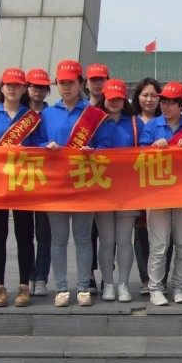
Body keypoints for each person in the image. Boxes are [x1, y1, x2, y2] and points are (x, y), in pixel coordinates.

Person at [40, 60, 111, 308]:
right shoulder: (46, 114)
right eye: (62, 83)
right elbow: (36, 143)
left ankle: (82, 287)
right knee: (58, 239)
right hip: (56, 185)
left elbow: (105, 145)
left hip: (84, 183)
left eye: (71, 82)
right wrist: (45, 146)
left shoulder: (94, 115)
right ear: (57, 85)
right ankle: (61, 287)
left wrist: (93, 150)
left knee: (83, 239)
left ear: (80, 84)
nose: (67, 87)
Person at [0, 67, 41, 308]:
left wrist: (44, 147)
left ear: (24, 89)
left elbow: (39, 145)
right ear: (1, 88)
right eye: (8, 84)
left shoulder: (32, 117)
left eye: (17, 85)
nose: (12, 88)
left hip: (24, 183)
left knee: (25, 235)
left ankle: (24, 285)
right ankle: (0, 286)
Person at [140, 81, 182, 306]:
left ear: (181, 105)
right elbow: (138, 155)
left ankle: (180, 288)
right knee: (159, 244)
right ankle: (155, 288)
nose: (165, 106)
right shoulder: (152, 126)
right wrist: (153, 146)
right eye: (163, 101)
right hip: (158, 191)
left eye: (170, 102)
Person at [94, 79, 143, 302]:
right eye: (110, 98)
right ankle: (108, 283)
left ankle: (123, 284)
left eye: (118, 99)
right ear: (103, 98)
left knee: (124, 240)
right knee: (106, 241)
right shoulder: (94, 121)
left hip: (127, 190)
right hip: (101, 189)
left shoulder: (135, 123)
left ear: (125, 100)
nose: (114, 102)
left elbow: (145, 149)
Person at [131, 78, 165, 295]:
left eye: (154, 95)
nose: (149, 99)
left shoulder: (166, 120)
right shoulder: (131, 121)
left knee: (163, 235)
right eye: (145, 95)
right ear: (138, 97)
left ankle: (161, 278)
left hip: (161, 184)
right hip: (136, 183)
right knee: (141, 232)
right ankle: (146, 278)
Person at [26, 68, 52, 297]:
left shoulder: (50, 114)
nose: (39, 91)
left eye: (43, 87)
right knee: (25, 234)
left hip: (46, 182)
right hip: (22, 181)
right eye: (35, 86)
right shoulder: (19, 115)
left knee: (45, 234)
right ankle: (27, 277)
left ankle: (41, 277)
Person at [84, 63, 110, 293]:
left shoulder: (114, 109)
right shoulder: (81, 110)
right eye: (94, 79)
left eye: (101, 79)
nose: (98, 84)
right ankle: (90, 274)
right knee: (88, 232)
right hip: (84, 180)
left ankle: (108, 275)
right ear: (86, 83)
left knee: (109, 235)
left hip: (109, 179)